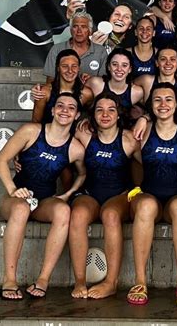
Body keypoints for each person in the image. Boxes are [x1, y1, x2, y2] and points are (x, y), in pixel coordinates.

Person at [0, 92, 86, 300]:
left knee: (63, 210)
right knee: (21, 208)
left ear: (77, 115)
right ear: (52, 110)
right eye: (60, 106)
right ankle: (10, 279)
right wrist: (12, 190)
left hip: (44, 201)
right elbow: (1, 160)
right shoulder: (31, 131)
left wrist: (69, 193)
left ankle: (43, 278)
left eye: (71, 108)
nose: (65, 110)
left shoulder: (75, 149)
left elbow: (82, 173)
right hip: (16, 198)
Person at [126, 82, 177, 306]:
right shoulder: (141, 131)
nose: (163, 104)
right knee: (145, 206)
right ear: (150, 105)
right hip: (149, 195)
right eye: (157, 100)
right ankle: (140, 280)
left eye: (168, 99)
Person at [70, 92, 140, 299]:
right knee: (78, 214)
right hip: (90, 192)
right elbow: (56, 144)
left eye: (111, 110)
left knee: (110, 214)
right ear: (92, 115)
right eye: (100, 110)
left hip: (120, 195)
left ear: (119, 114)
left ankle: (111, 282)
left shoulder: (129, 139)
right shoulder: (83, 134)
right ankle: (80, 281)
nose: (105, 114)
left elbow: (154, 164)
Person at [0, 0, 122, 67]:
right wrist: (66, 16)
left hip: (42, 41)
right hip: (15, 35)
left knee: (47, 83)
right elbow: (41, 19)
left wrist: (97, 38)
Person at [43, 11, 108, 83]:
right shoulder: (57, 49)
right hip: (63, 93)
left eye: (83, 27)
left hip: (91, 93)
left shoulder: (101, 51)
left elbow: (104, 83)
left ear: (90, 31)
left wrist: (91, 80)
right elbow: (50, 82)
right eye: (75, 27)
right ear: (71, 30)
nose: (79, 31)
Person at [32, 49, 93, 124]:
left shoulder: (86, 93)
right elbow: (35, 123)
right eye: (64, 66)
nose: (70, 70)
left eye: (74, 66)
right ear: (58, 68)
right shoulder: (45, 92)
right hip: (48, 134)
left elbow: (93, 116)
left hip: (73, 135)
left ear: (78, 68)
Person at [84, 48, 144, 112]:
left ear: (130, 69)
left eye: (124, 65)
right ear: (108, 67)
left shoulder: (137, 92)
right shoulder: (95, 83)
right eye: (115, 64)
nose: (119, 69)